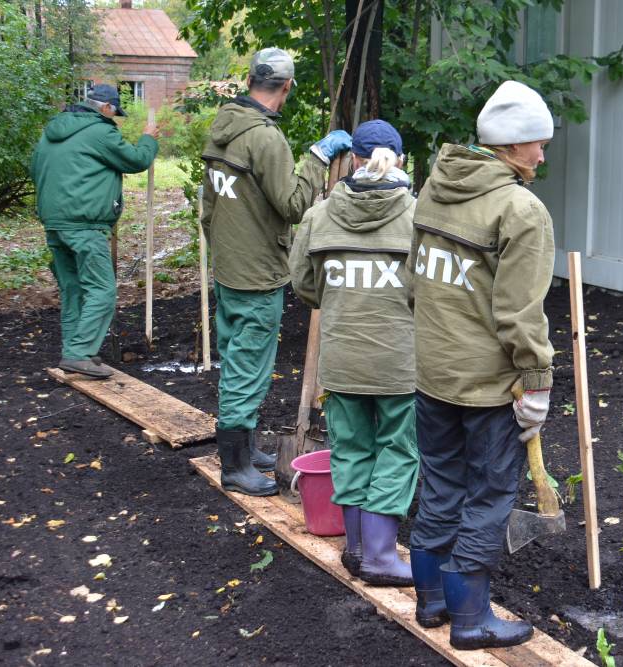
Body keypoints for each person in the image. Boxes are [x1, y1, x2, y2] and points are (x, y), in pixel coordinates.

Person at [406, 80, 555, 649]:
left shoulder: (434, 189)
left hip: (432, 372)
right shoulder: (521, 209)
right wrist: (536, 380)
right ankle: (471, 620)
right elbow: (521, 312)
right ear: (511, 147)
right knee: (491, 494)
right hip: (490, 387)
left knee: (441, 485)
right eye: (536, 144)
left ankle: (432, 601)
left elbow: (416, 285)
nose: (542, 154)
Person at [200, 47, 352, 497]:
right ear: (286, 87)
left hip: (229, 263)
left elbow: (209, 206)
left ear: (250, 81)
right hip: (256, 272)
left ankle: (245, 448)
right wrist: (318, 158)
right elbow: (294, 204)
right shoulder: (265, 139)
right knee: (248, 364)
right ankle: (235, 466)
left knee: (237, 358)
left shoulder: (223, 127)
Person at [290, 120, 418, 587]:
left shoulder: (319, 216)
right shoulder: (418, 218)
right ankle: (382, 556)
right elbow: (428, 291)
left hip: (341, 360)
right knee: (397, 451)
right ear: (399, 160)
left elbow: (306, 286)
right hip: (399, 362)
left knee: (350, 448)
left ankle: (358, 549)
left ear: (353, 161)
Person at [31, 84, 159, 379]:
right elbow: (136, 160)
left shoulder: (51, 132)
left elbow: (35, 169)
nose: (115, 117)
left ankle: (74, 351)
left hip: (54, 222)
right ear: (105, 108)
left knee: (73, 289)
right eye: (115, 112)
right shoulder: (100, 131)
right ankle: (78, 354)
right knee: (102, 290)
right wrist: (148, 139)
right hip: (84, 223)